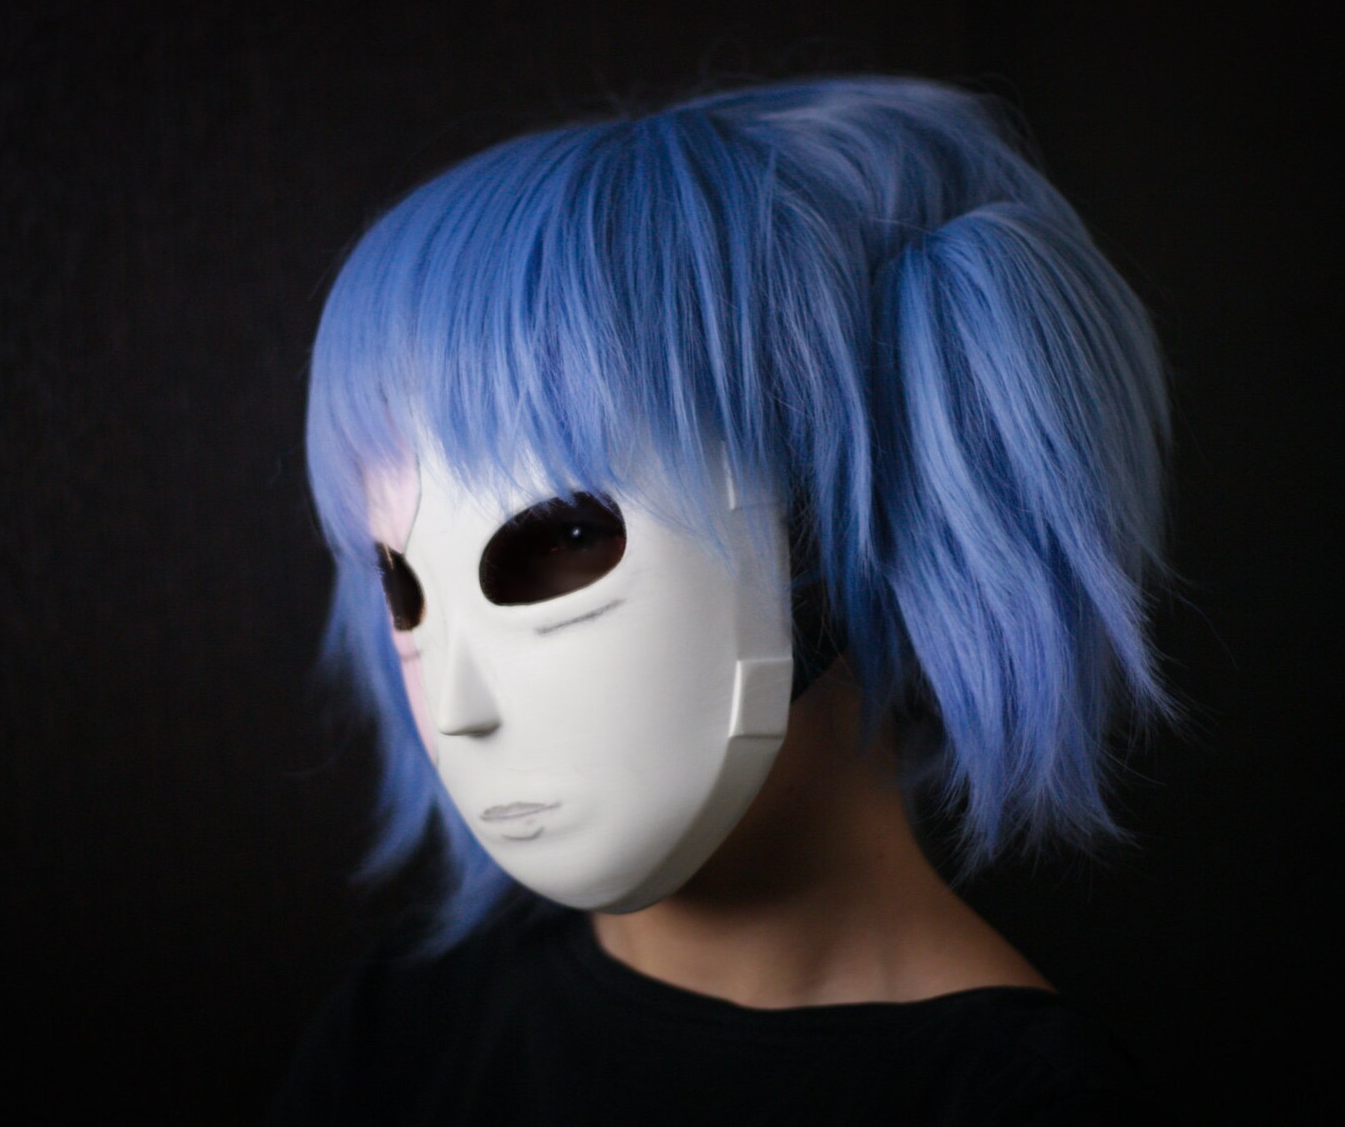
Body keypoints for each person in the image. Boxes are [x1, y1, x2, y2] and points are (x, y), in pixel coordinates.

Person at [272, 74, 1179, 1124]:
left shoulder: (1022, 1103)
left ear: (842, 533)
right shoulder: (408, 1026)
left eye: (568, 539)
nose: (459, 705)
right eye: (402, 584)